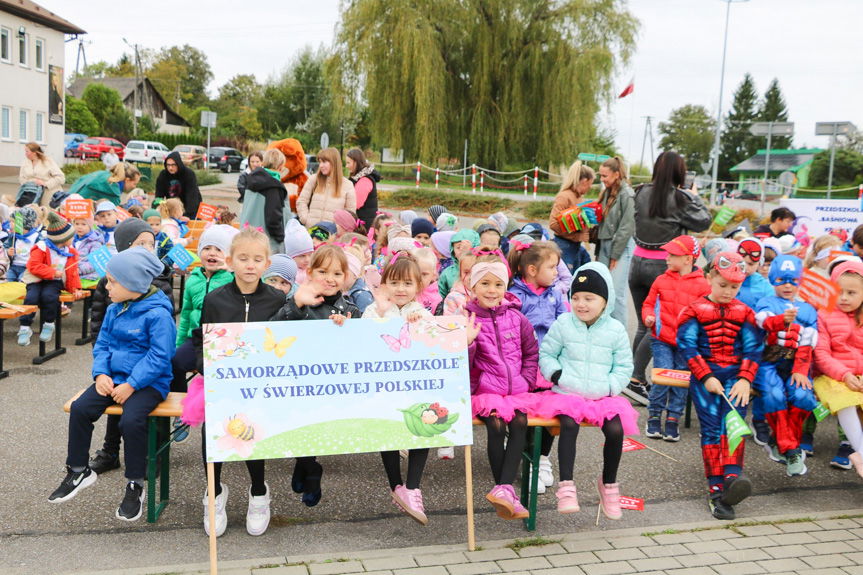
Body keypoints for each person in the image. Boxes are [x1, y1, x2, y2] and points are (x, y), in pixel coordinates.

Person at [47, 248, 174, 522]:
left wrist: (132, 383)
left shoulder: (159, 314)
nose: (107, 286)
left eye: (114, 281)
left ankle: (135, 484)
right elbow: (102, 344)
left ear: (135, 284)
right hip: (113, 380)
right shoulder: (116, 308)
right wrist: (100, 374)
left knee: (131, 421)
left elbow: (160, 356)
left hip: (148, 384)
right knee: (81, 409)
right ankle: (79, 470)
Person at [192, 229, 288, 537]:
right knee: (213, 434)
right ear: (230, 262)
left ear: (266, 264)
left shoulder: (276, 298)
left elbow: (285, 339)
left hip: (260, 387)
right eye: (243, 258)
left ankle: (259, 491)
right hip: (222, 386)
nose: (250, 265)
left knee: (253, 434)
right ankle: (214, 491)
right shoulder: (215, 300)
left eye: (257, 259)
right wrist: (203, 365)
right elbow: (200, 340)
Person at [535, 262, 637, 519]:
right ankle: (566, 487)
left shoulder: (615, 330)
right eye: (576, 298)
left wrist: (612, 386)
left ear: (605, 301)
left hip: (602, 395)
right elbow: (547, 353)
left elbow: (624, 365)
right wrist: (556, 374)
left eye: (589, 298)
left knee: (616, 430)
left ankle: (609, 485)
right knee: (568, 425)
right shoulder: (564, 323)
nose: (581, 304)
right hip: (567, 393)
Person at [270, 245, 359, 508]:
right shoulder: (297, 301)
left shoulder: (351, 307)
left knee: (313, 426)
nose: (330, 279)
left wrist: (348, 327)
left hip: (332, 385)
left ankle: (306, 466)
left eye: (337, 273)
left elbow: (362, 346)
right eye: (322, 271)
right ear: (309, 273)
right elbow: (272, 332)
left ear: (346, 277)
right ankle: (309, 466)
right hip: (296, 381)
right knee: (296, 423)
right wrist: (297, 305)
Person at [677, 252, 763, 520]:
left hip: (736, 380)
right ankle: (717, 489)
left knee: (735, 426)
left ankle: (732, 479)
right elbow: (687, 347)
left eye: (734, 287)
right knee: (713, 430)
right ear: (709, 278)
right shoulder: (692, 311)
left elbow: (753, 348)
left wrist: (746, 379)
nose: (728, 291)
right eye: (723, 284)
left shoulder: (745, 312)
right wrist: (705, 376)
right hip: (706, 379)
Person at [86, 218, 175, 476]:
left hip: (146, 366)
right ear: (125, 248)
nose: (148, 248)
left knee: (143, 409)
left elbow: (163, 332)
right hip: (116, 358)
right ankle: (110, 451)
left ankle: (154, 453)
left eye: (151, 243)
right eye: (140, 243)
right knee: (113, 406)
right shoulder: (110, 282)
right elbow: (99, 318)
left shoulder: (158, 284)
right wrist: (102, 362)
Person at [628, 151, 711, 406]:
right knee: (658, 328)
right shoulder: (680, 197)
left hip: (637, 263)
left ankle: (633, 376)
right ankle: (635, 379)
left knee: (645, 323)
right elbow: (704, 221)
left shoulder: (640, 191)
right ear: (680, 174)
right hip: (664, 265)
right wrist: (693, 195)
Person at [362, 253, 434, 523]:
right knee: (388, 432)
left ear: (418, 287)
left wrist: (422, 325)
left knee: (426, 425)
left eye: (407, 283)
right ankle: (397, 486)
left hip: (415, 387)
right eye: (394, 283)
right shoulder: (374, 310)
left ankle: (412, 487)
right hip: (384, 386)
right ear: (383, 285)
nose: (401, 289)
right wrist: (381, 315)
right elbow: (364, 338)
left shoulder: (422, 313)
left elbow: (434, 344)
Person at [467, 256, 537, 520]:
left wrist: (527, 380)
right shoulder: (467, 319)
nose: (491, 290)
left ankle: (503, 489)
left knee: (520, 424)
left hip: (516, 390)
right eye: (484, 283)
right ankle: (505, 489)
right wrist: (469, 343)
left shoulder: (517, 319)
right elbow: (463, 363)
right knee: (497, 427)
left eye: (497, 284)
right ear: (473, 287)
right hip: (485, 391)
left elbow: (531, 352)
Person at [507, 241, 567, 494]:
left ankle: (542, 458)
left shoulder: (555, 293)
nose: (557, 272)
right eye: (552, 267)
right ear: (531, 270)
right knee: (527, 416)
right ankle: (527, 461)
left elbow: (565, 322)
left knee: (550, 414)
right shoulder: (516, 295)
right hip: (524, 366)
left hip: (550, 364)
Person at [753, 255, 817, 476]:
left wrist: (800, 369)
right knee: (773, 396)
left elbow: (808, 341)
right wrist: (782, 320)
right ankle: (791, 450)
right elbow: (763, 321)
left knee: (804, 397)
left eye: (793, 280)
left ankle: (777, 440)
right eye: (781, 279)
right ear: (772, 279)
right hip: (769, 360)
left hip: (796, 363)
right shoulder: (766, 302)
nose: (788, 285)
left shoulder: (808, 309)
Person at [642, 235, 710, 442]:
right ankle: (654, 415)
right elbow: (647, 304)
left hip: (686, 344)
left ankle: (673, 418)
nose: (667, 258)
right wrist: (648, 317)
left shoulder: (703, 286)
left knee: (680, 380)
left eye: (673, 255)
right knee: (663, 375)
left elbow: (706, 313)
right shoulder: (661, 280)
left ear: (688, 259)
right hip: (661, 338)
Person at [173, 225, 239, 396]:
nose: (212, 253)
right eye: (207, 248)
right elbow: (186, 316)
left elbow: (256, 282)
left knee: (217, 374)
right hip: (196, 338)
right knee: (175, 362)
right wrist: (179, 344)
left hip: (224, 339)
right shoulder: (193, 280)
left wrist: (234, 269)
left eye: (219, 249)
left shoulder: (233, 279)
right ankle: (182, 405)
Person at [813, 260, 863, 478]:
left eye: (851, 293)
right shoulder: (824, 314)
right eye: (839, 292)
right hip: (832, 376)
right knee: (846, 403)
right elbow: (821, 354)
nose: (844, 298)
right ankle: (861, 453)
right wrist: (844, 374)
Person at [17, 210, 81, 346]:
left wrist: (75, 288)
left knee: (49, 297)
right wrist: (52, 272)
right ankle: (24, 327)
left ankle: (49, 323)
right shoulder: (41, 247)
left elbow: (73, 272)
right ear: (62, 239)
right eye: (71, 237)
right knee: (31, 298)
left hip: (54, 283)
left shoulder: (71, 252)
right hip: (35, 280)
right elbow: (33, 265)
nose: (73, 239)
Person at [596, 156, 635, 326]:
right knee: (604, 291)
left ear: (616, 174)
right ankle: (608, 332)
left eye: (605, 176)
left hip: (620, 248)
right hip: (605, 245)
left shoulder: (627, 194)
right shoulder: (607, 192)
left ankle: (621, 337)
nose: (602, 179)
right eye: (601, 176)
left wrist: (615, 254)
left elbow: (627, 226)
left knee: (617, 294)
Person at [239, 149, 292, 253]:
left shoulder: (251, 180)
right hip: (267, 242)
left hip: (247, 237)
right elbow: (273, 218)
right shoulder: (273, 186)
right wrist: (280, 238)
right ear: (281, 166)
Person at [549, 161, 593, 273]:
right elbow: (553, 224)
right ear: (584, 181)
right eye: (590, 184)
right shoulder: (564, 196)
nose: (590, 187)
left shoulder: (579, 198)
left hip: (575, 247)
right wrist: (577, 236)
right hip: (564, 247)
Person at [297, 147, 356, 228]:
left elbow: (350, 214)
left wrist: (337, 229)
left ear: (334, 162)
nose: (321, 165)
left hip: (332, 236)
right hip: (311, 232)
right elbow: (301, 201)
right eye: (320, 162)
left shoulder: (347, 185)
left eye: (324, 162)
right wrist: (305, 219)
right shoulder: (314, 179)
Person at [154, 151, 201, 219]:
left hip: (189, 209)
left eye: (173, 165)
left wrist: (187, 215)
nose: (170, 168)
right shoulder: (163, 175)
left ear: (178, 164)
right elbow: (159, 196)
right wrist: (158, 209)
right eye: (168, 165)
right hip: (172, 209)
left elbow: (192, 196)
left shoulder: (188, 174)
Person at [18, 142, 64, 207]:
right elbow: (21, 178)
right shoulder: (25, 163)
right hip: (31, 196)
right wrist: (29, 184)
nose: (25, 154)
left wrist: (45, 184)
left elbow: (61, 178)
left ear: (34, 152)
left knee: (46, 214)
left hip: (48, 195)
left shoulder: (47, 161)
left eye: (27, 151)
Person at [73, 162, 141, 206]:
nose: (134, 187)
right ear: (127, 180)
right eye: (134, 184)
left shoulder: (101, 174)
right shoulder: (113, 193)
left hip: (69, 204)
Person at [438, 228, 480, 298]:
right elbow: (440, 295)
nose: (463, 250)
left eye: (466, 247)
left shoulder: (481, 269)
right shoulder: (447, 273)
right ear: (453, 251)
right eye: (458, 247)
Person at [346, 148, 381, 229]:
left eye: (348, 163)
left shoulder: (365, 180)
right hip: (363, 222)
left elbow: (355, 203)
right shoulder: (357, 178)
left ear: (356, 162)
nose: (346, 166)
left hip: (364, 226)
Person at [5, 206, 41, 281]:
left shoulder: (38, 238)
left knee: (21, 284)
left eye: (13, 221)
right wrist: (7, 252)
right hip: (13, 267)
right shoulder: (13, 237)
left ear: (24, 223)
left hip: (27, 268)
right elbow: (3, 249)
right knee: (7, 281)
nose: (10, 224)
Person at [71, 214, 105, 286]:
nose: (79, 227)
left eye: (84, 224)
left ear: (90, 226)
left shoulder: (95, 242)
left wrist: (79, 270)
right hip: (72, 274)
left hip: (89, 277)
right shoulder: (71, 240)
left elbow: (94, 262)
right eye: (77, 224)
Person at [284, 219, 315, 285]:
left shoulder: (315, 270)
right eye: (302, 256)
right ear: (291, 257)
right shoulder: (288, 274)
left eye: (310, 254)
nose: (307, 260)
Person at [343, 246, 373, 313]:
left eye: (344, 273)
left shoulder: (362, 296)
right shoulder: (339, 291)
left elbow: (365, 321)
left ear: (355, 274)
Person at [413, 247, 442, 315]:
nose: (419, 278)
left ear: (433, 275)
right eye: (415, 272)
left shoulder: (436, 299)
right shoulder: (402, 292)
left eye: (424, 274)